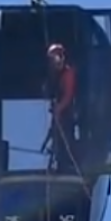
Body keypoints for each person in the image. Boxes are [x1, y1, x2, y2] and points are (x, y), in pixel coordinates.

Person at [42, 43, 77, 172]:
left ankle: (66, 163)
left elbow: (68, 95)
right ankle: (58, 161)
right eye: (51, 60)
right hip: (60, 113)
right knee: (56, 137)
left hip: (66, 113)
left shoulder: (68, 74)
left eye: (55, 58)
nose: (52, 63)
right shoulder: (54, 75)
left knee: (65, 138)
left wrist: (59, 108)